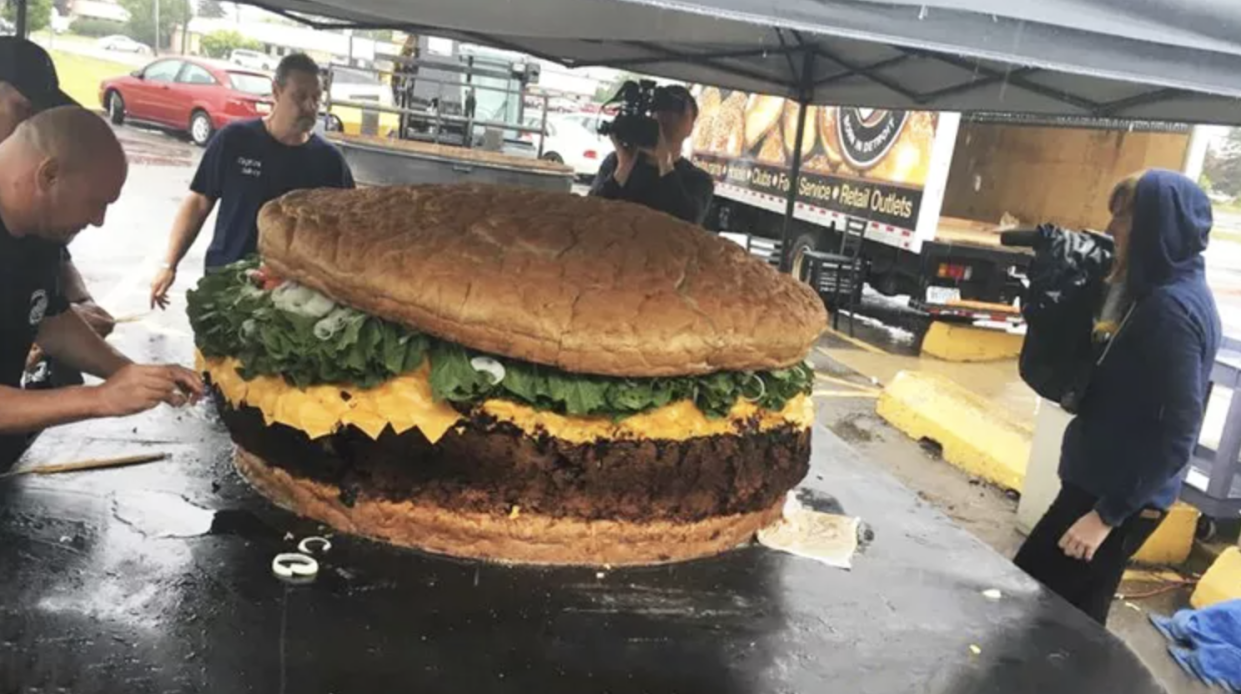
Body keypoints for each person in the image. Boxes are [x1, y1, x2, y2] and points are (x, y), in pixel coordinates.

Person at [1013, 169, 1221, 625]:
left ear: (1155, 227)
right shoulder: (1158, 293)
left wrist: (1106, 517)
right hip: (1107, 485)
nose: (1111, 231)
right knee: (1077, 621)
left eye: (1123, 219)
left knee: (1032, 607)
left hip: (1114, 496)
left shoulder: (1171, 312)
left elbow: (1179, 432)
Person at [0, 107, 204, 470]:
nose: (98, 221)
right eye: (97, 203)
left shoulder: (38, 230)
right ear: (48, 175)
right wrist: (100, 399)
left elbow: (50, 319)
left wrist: (130, 373)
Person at [149, 53, 354, 309]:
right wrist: (169, 264)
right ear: (276, 92)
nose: (310, 107)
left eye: (316, 98)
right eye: (300, 96)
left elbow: (348, 232)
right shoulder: (235, 140)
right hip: (227, 285)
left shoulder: (329, 161)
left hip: (294, 299)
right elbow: (200, 201)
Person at [0, 37, 116, 385]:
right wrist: (102, 399)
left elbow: (47, 307)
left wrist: (131, 375)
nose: (33, 129)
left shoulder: (34, 219)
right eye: (26, 110)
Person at [589, 84, 713, 225]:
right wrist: (623, 167)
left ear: (691, 127)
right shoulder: (616, 162)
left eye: (679, 110)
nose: (669, 115)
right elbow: (591, 213)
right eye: (662, 108)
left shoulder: (698, 180)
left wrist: (665, 163)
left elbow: (688, 223)